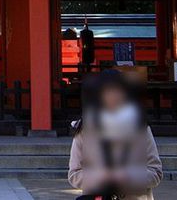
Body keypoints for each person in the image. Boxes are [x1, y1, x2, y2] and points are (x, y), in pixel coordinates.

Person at [68, 69, 163, 200]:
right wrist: (101, 176)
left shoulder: (140, 127)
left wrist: (128, 176)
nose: (113, 97)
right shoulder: (84, 129)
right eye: (107, 92)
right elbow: (74, 174)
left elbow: (155, 172)